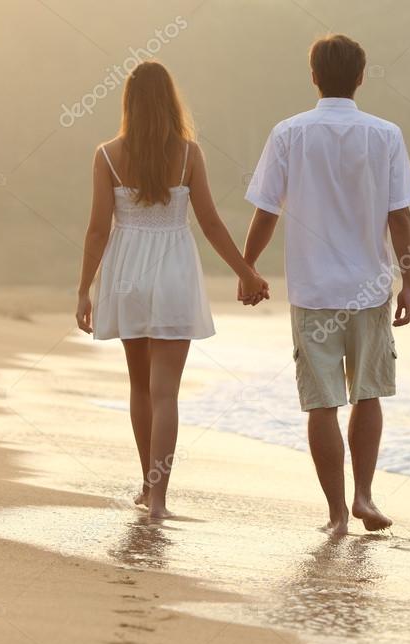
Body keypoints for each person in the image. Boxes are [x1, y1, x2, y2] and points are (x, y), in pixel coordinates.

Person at [242, 34, 410, 534]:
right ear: (361, 77)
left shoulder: (288, 134)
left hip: (314, 290)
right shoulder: (386, 134)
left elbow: (266, 210)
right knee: (368, 394)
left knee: (322, 403)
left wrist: (248, 268)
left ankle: (337, 514)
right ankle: (364, 495)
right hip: (369, 286)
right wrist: (408, 282)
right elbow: (399, 216)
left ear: (314, 75)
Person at [75, 60, 269, 519]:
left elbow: (97, 231)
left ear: (128, 103)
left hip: (126, 275)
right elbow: (211, 223)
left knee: (140, 388)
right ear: (170, 101)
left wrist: (84, 290)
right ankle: (159, 498)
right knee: (166, 393)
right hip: (175, 272)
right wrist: (246, 272)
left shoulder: (106, 155)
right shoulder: (188, 154)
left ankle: (146, 486)